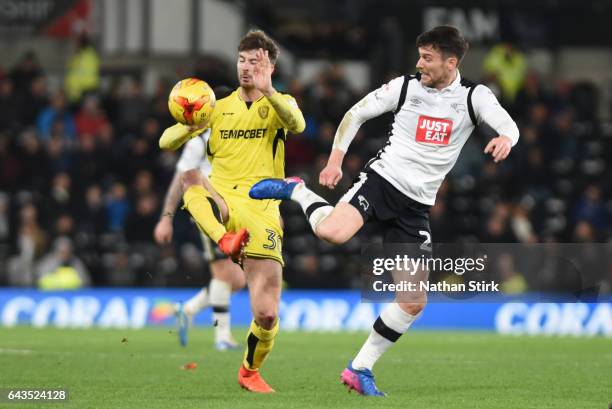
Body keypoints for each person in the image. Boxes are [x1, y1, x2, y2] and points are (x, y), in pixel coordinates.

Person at [250, 26, 519, 396]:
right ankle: (298, 191)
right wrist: (335, 162)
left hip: (416, 206)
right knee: (331, 233)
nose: (419, 63)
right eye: (419, 55)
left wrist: (506, 138)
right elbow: (355, 113)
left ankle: (360, 368)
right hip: (382, 182)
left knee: (412, 301)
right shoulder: (404, 88)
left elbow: (508, 124)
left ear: (450, 61)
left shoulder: (474, 97)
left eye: (427, 57)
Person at [159, 30, 305, 393]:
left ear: (270, 66)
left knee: (267, 313)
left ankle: (248, 372)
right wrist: (189, 127)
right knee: (192, 184)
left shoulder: (279, 103)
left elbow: (297, 124)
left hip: (261, 209)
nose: (246, 68)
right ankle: (225, 239)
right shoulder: (216, 109)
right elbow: (165, 142)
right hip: (222, 202)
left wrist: (270, 90)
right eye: (242, 60)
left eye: (255, 61)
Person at [154, 125, 245, 350]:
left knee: (239, 280)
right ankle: (221, 336)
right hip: (209, 211)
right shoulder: (199, 143)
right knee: (223, 272)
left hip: (234, 209)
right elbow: (181, 178)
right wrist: (167, 217)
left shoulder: (236, 135)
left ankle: (188, 310)